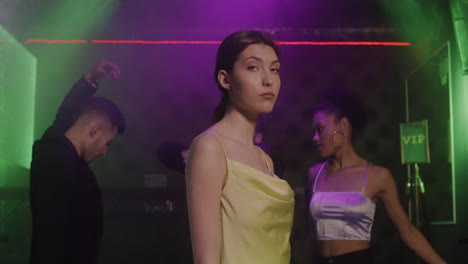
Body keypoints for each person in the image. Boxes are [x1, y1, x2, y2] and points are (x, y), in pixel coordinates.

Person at [185, 30, 295, 264]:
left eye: (274, 69)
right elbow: (206, 259)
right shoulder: (210, 148)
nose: (268, 79)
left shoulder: (265, 159)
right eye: (253, 67)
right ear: (226, 79)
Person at [304, 87, 446, 264]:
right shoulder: (314, 174)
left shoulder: (377, 176)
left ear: (343, 126)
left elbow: (407, 231)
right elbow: (310, 237)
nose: (315, 138)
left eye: (320, 129)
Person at [29, 60, 125, 264]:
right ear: (94, 131)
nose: (104, 151)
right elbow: (54, 242)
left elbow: (63, 118)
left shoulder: (53, 148)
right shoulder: (59, 165)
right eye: (107, 143)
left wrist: (88, 81)